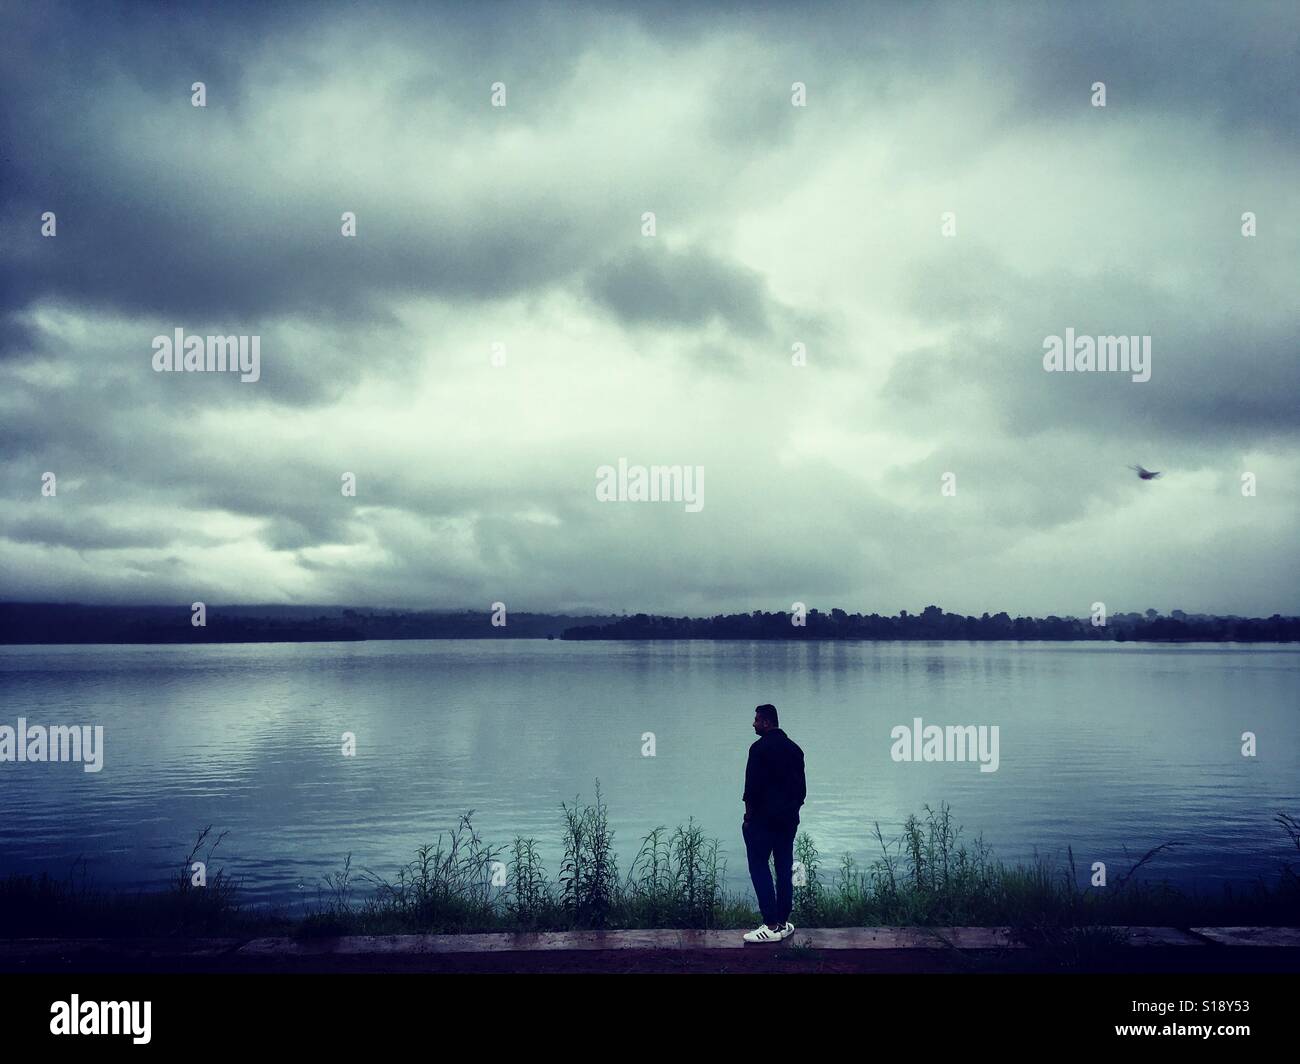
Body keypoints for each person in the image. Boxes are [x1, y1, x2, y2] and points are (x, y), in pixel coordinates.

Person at [741, 703, 806, 943]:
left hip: (763, 821)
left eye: (756, 720)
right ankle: (783, 922)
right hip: (788, 822)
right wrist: (792, 813)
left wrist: (748, 818)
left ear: (767, 723)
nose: (754, 723)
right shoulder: (795, 750)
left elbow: (752, 788)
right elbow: (801, 791)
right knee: (784, 867)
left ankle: (769, 925)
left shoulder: (758, 749)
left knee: (758, 865)